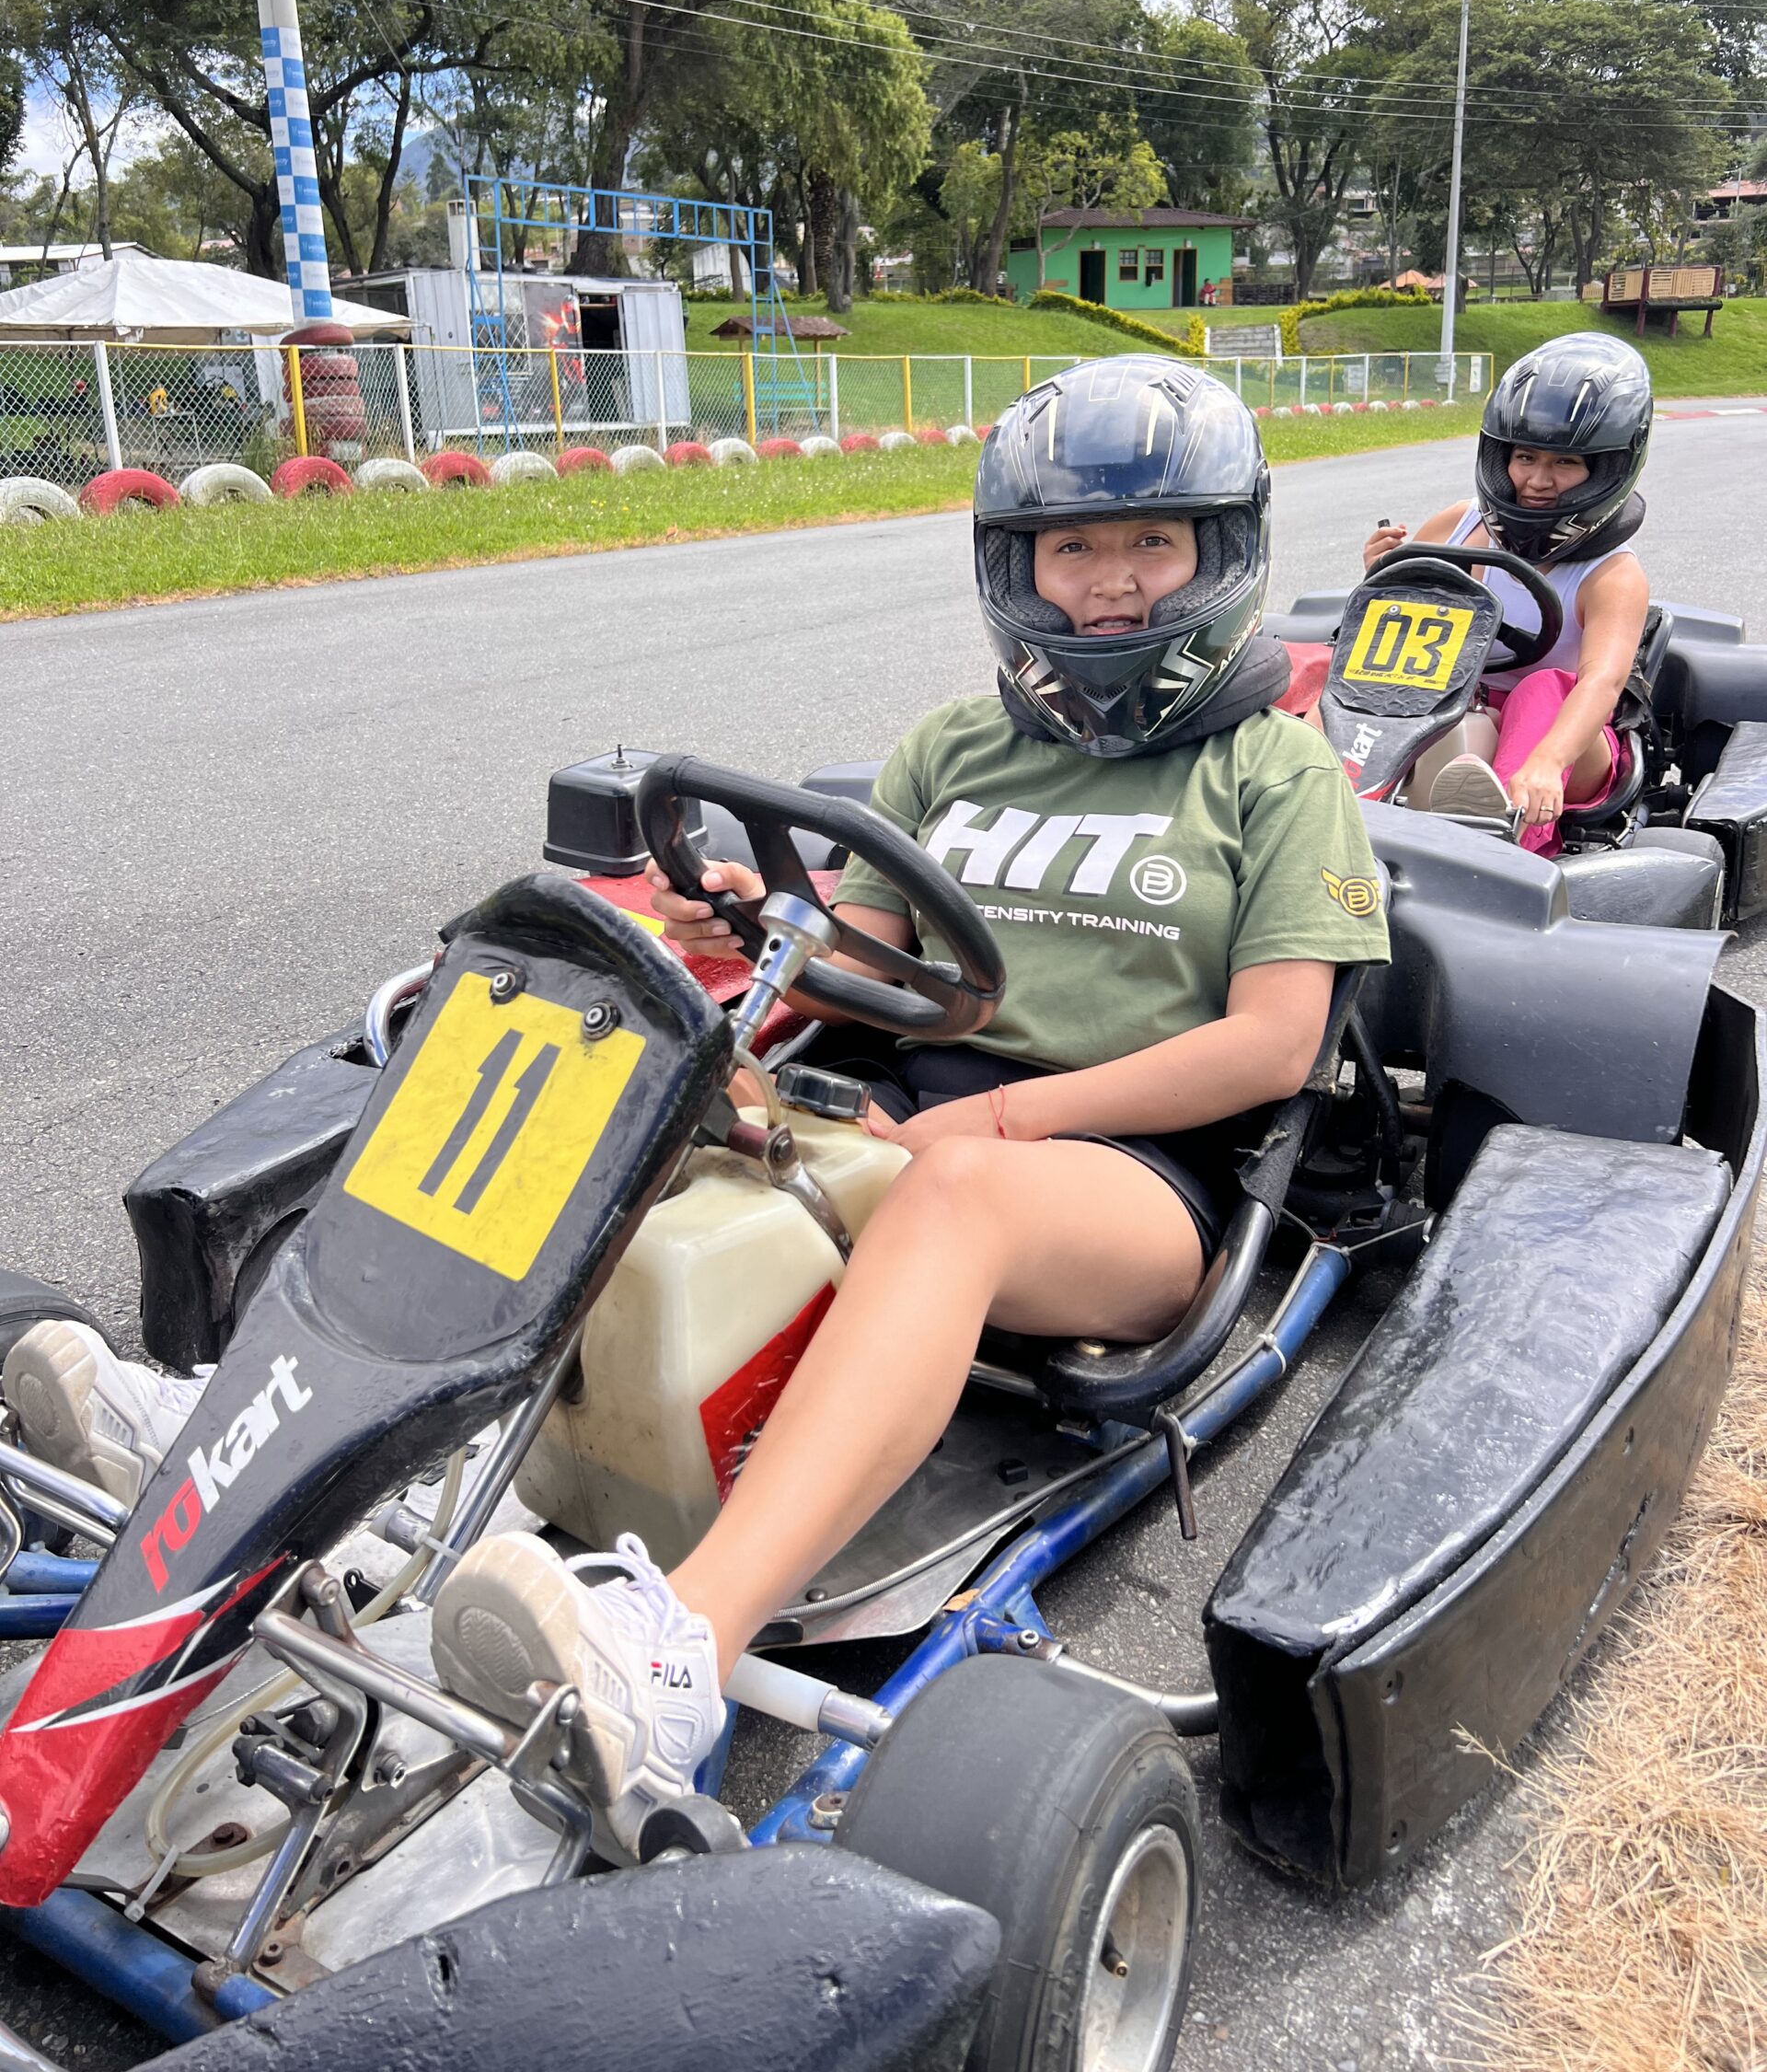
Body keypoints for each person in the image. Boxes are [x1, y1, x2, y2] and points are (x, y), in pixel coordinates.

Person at [3, 359, 1390, 1844]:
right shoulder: (953, 749)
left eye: (1148, 546)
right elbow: (873, 969)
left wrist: (1008, 1121)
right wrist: (759, 933)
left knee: (953, 1192)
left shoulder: (1274, 770)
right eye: (1075, 549)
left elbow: (1270, 1046)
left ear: (1217, 556)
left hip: (1121, 1172)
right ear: (1017, 565)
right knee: (589, 1079)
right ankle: (258, 1447)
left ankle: (681, 1651)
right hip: (894, 1117)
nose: (1110, 584)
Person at [1362, 333, 1651, 851]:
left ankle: (1512, 841)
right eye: (1524, 457)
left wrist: (1550, 760)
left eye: (1565, 463)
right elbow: (1391, 628)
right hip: (1462, 715)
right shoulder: (1459, 524)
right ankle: (1326, 791)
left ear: (1606, 468)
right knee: (1323, 660)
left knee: (1540, 691)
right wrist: (1380, 574)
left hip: (1567, 751)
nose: (1537, 481)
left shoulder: (1612, 575)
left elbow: (1601, 685)